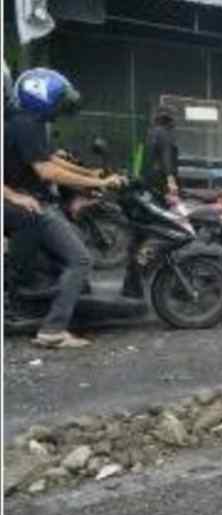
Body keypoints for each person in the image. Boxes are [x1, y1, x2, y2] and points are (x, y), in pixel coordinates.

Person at [4, 67, 126, 348]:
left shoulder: (26, 122)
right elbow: (47, 170)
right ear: (41, 96)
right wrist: (100, 183)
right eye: (58, 102)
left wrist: (94, 175)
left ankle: (59, 311)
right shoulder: (26, 123)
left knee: (65, 250)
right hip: (27, 202)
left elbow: (49, 159)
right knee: (80, 260)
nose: (61, 108)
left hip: (27, 197)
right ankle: (53, 330)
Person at [141, 104, 181, 204]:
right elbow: (166, 158)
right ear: (169, 120)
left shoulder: (150, 133)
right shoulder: (165, 134)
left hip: (148, 180)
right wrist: (171, 182)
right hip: (160, 180)